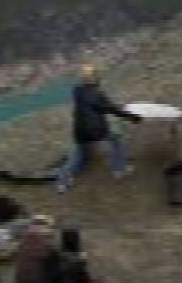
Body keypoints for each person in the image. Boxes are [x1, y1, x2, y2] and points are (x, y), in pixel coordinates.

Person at [55, 65, 143, 194]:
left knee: (78, 155)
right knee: (117, 140)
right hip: (97, 130)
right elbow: (112, 109)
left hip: (80, 131)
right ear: (96, 79)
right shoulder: (97, 94)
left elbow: (99, 106)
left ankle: (62, 183)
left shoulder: (77, 91)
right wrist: (133, 117)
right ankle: (120, 169)